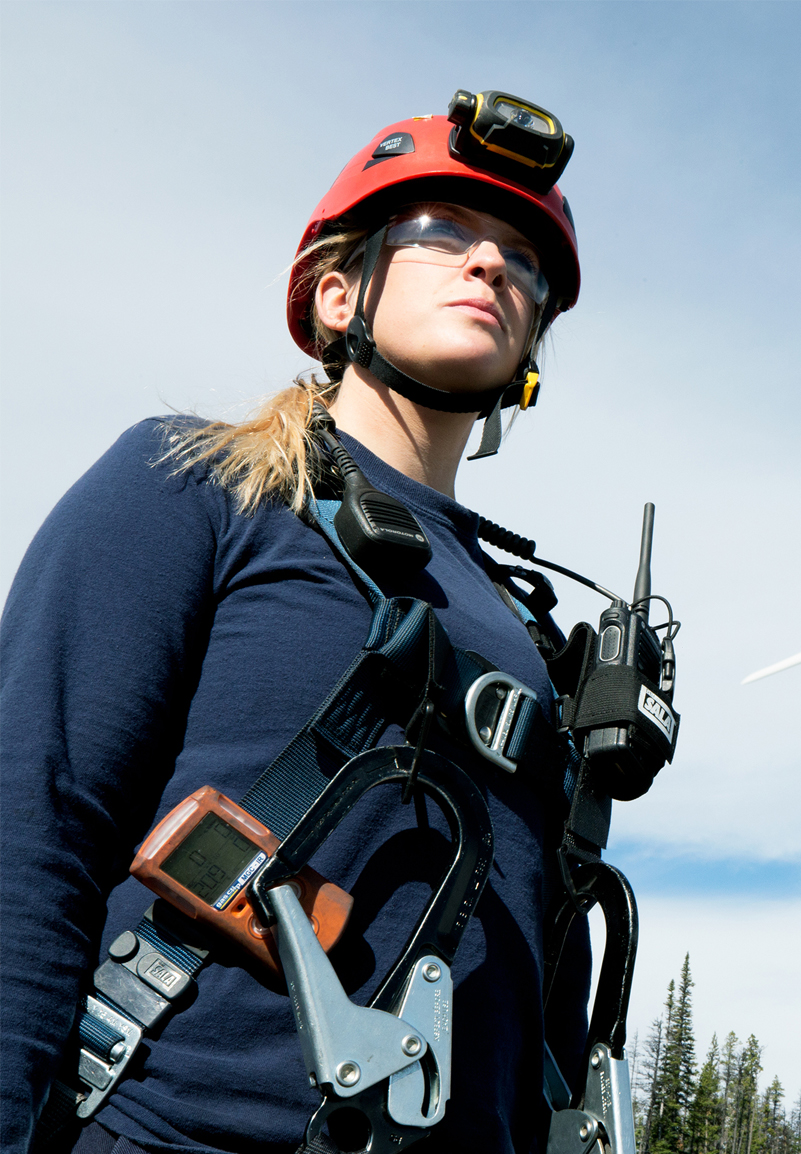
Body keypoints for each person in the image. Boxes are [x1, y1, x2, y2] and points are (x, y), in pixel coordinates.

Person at [1, 92, 610, 1153]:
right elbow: (33, 822)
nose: (490, 264)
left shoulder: (533, 634)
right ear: (339, 293)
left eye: (522, 254)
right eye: (445, 230)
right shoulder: (197, 484)